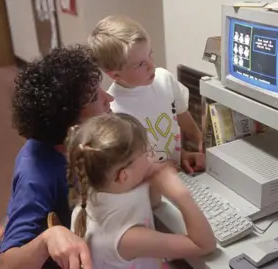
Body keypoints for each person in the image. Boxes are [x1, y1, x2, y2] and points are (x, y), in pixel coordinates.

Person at [0, 44, 114, 269]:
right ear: (69, 120)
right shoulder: (36, 175)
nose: (110, 98)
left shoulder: (74, 140)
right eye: (96, 98)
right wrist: (48, 238)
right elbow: (7, 263)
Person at [66, 113, 217, 269]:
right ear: (124, 175)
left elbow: (154, 204)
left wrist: (151, 177)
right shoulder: (126, 237)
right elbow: (204, 245)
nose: (152, 156)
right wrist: (182, 196)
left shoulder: (98, 189)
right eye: (146, 152)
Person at [87, 15, 205, 174]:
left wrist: (196, 148)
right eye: (140, 64)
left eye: (150, 54)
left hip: (177, 174)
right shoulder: (113, 111)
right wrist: (158, 170)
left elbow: (185, 120)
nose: (152, 65)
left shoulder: (165, 80)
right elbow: (127, 169)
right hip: (149, 185)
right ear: (115, 75)